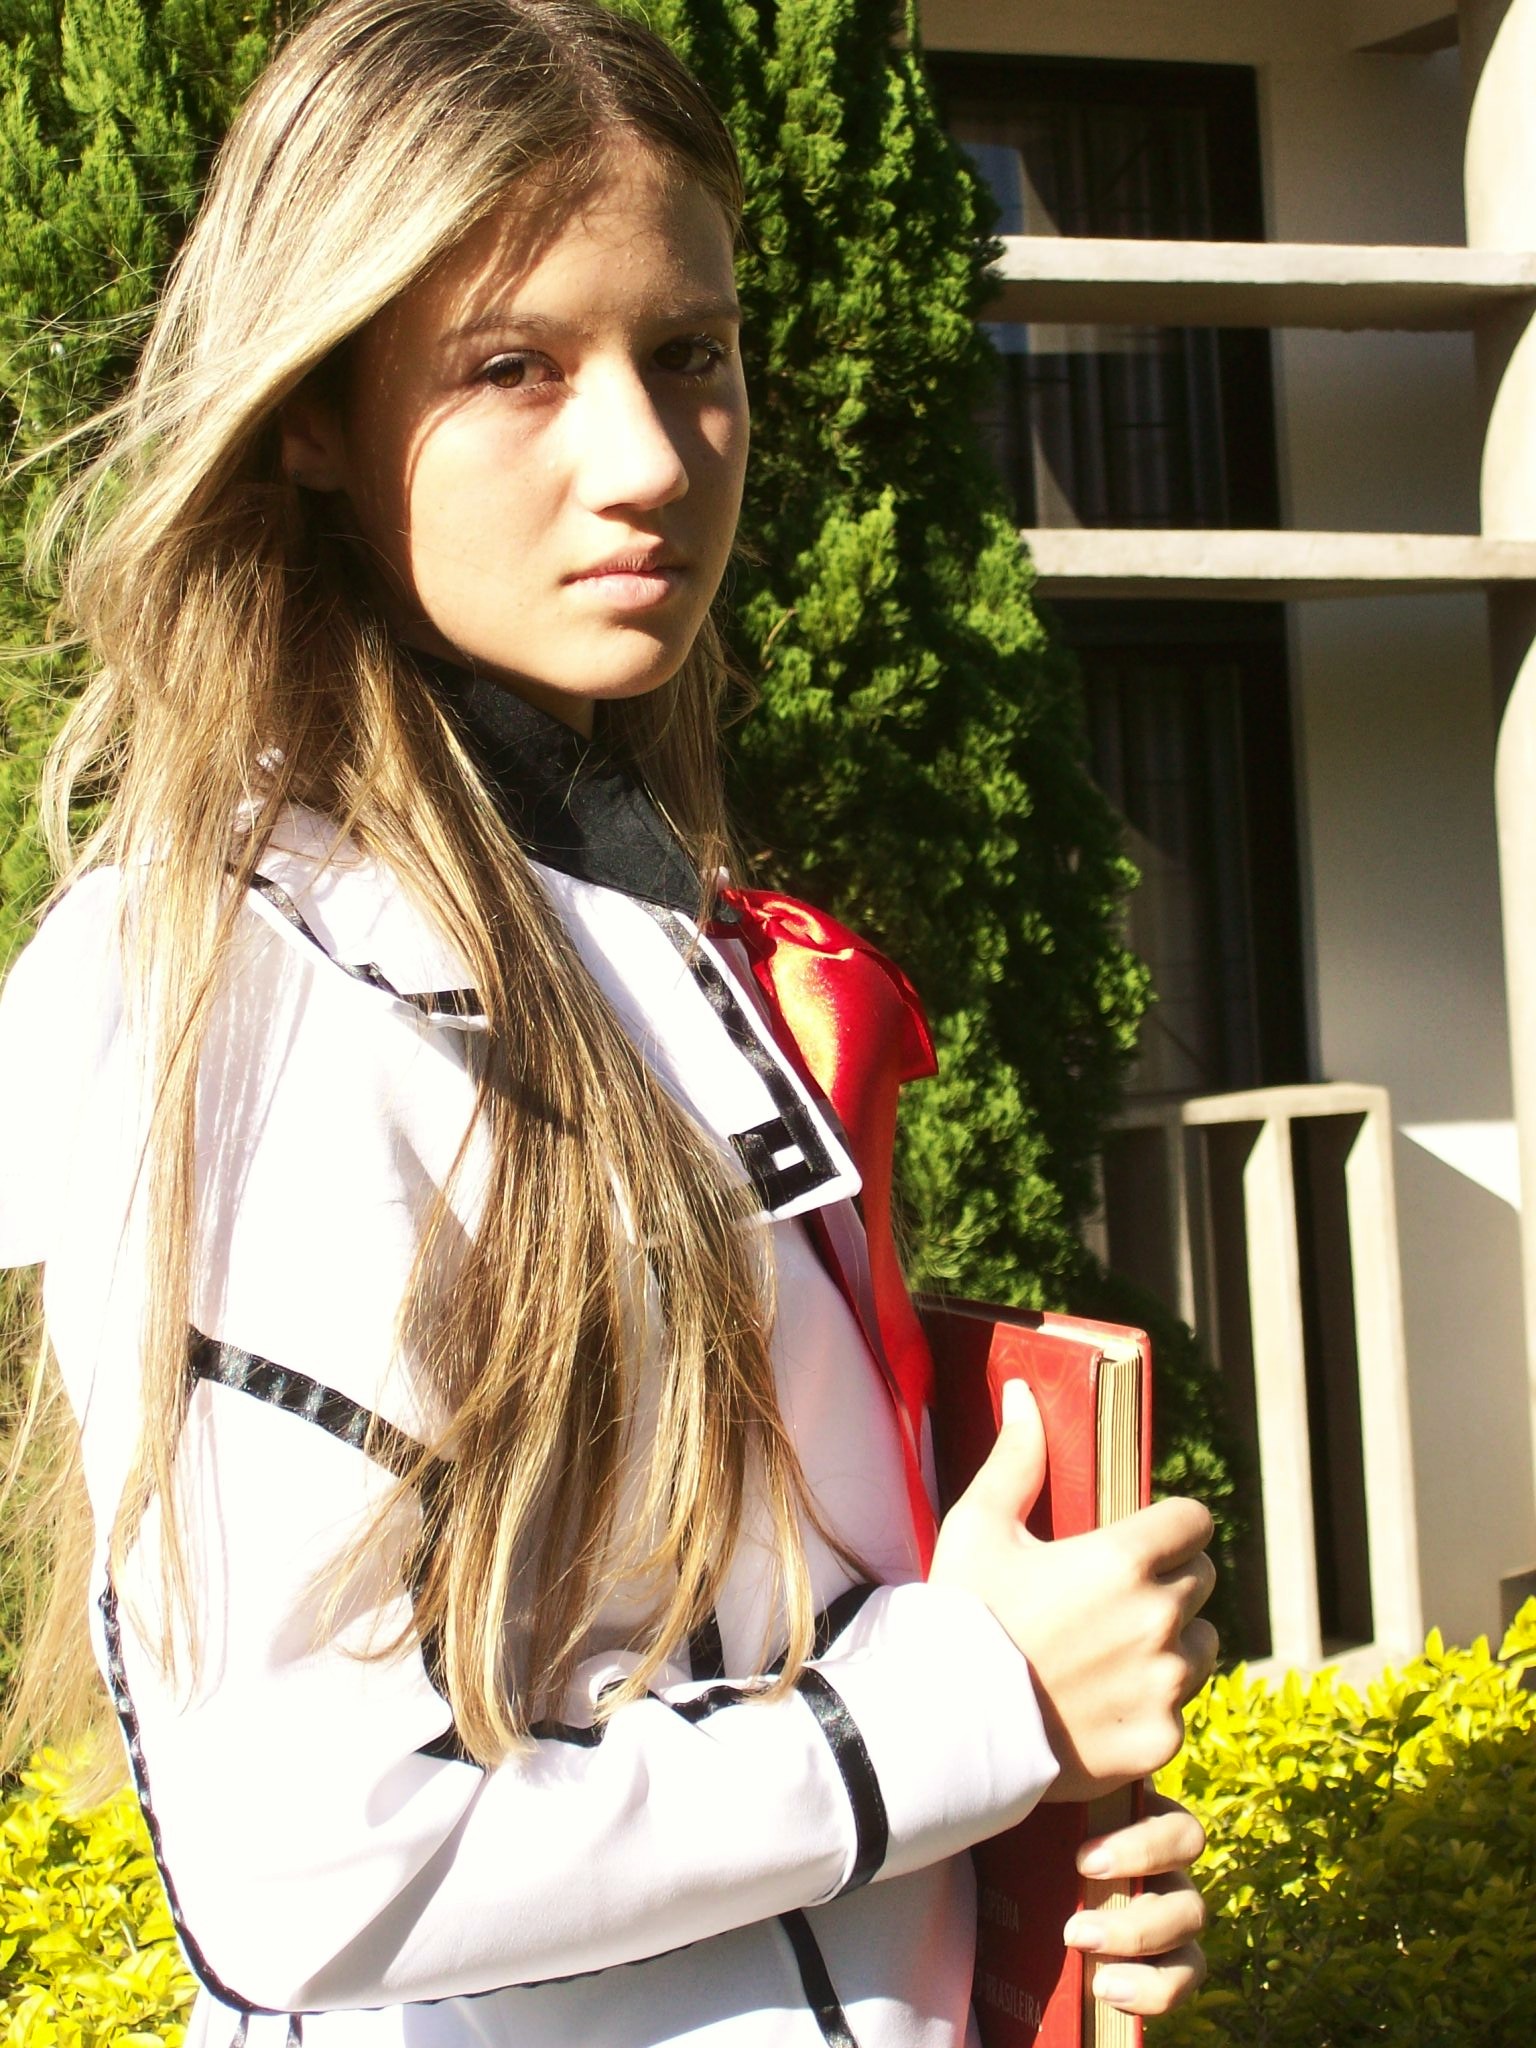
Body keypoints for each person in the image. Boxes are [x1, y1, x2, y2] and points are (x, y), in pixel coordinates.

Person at [0, 3, 1219, 2044]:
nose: (649, 461)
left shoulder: (626, 903)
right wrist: (964, 1708)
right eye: (513, 368)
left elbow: (730, 1651)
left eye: (690, 355)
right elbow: (312, 1867)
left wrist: (1004, 1865)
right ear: (309, 405)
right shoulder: (245, 980)